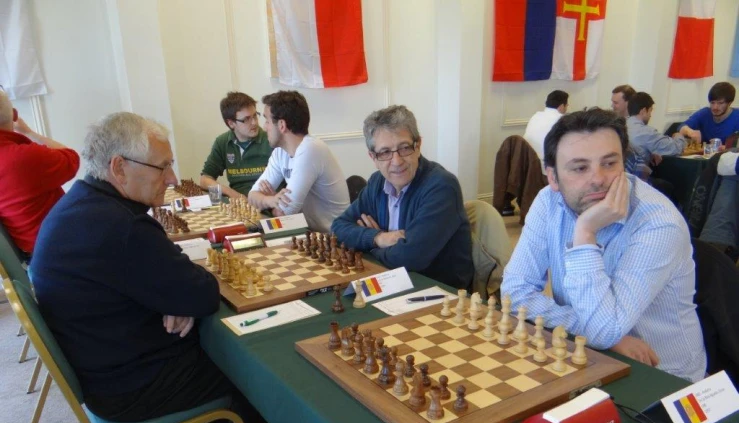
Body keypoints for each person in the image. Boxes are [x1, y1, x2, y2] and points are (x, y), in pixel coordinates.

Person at [30, 112, 282, 423]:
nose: (170, 178)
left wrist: (172, 295)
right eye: (162, 167)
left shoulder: (81, 205)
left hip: (104, 369)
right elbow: (201, 292)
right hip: (131, 387)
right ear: (119, 167)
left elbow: (176, 286)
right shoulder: (121, 228)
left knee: (205, 332)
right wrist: (179, 296)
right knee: (256, 360)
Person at [501, 108, 706, 383]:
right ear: (552, 177)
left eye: (609, 163)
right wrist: (608, 338)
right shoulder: (547, 201)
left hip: (663, 377)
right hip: (590, 354)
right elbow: (514, 293)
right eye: (580, 167)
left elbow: (603, 330)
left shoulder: (659, 223)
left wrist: (585, 232)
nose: (597, 178)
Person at [331, 105, 473, 290]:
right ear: (373, 157)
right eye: (385, 152)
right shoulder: (376, 183)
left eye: (404, 148)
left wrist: (369, 246)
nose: (397, 161)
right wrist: (379, 238)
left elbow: (410, 258)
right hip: (388, 281)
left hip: (436, 293)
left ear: (418, 146)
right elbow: (338, 228)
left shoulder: (441, 187)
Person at [247, 90, 349, 233]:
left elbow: (284, 212)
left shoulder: (311, 149)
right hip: (309, 234)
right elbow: (252, 197)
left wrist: (271, 204)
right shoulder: (279, 152)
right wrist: (271, 201)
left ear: (281, 125)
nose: (264, 127)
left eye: (267, 121)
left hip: (335, 241)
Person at [0, 90, 79, 256]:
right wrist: (29, 133)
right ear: (14, 115)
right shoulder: (22, 158)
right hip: (61, 248)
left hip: (28, 254)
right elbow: (72, 158)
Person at [200, 91, 273, 198]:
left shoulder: (270, 140)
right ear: (231, 123)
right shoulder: (223, 142)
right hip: (240, 206)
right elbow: (205, 180)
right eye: (246, 119)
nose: (254, 122)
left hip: (266, 206)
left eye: (255, 116)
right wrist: (232, 193)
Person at [523, 89, 569, 173]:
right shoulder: (561, 120)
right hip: (545, 170)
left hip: (527, 165)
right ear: (562, 106)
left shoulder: (536, 116)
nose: (567, 108)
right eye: (567, 105)